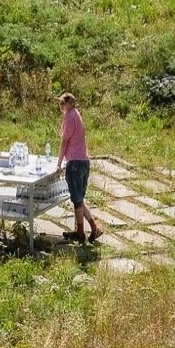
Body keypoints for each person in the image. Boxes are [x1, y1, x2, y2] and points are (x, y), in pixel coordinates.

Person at [55, 93, 103, 243]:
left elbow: (64, 142)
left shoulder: (69, 117)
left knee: (77, 200)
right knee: (79, 199)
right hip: (84, 162)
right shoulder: (76, 114)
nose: (60, 106)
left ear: (69, 103)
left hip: (75, 163)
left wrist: (59, 163)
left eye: (62, 103)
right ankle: (94, 227)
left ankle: (80, 233)